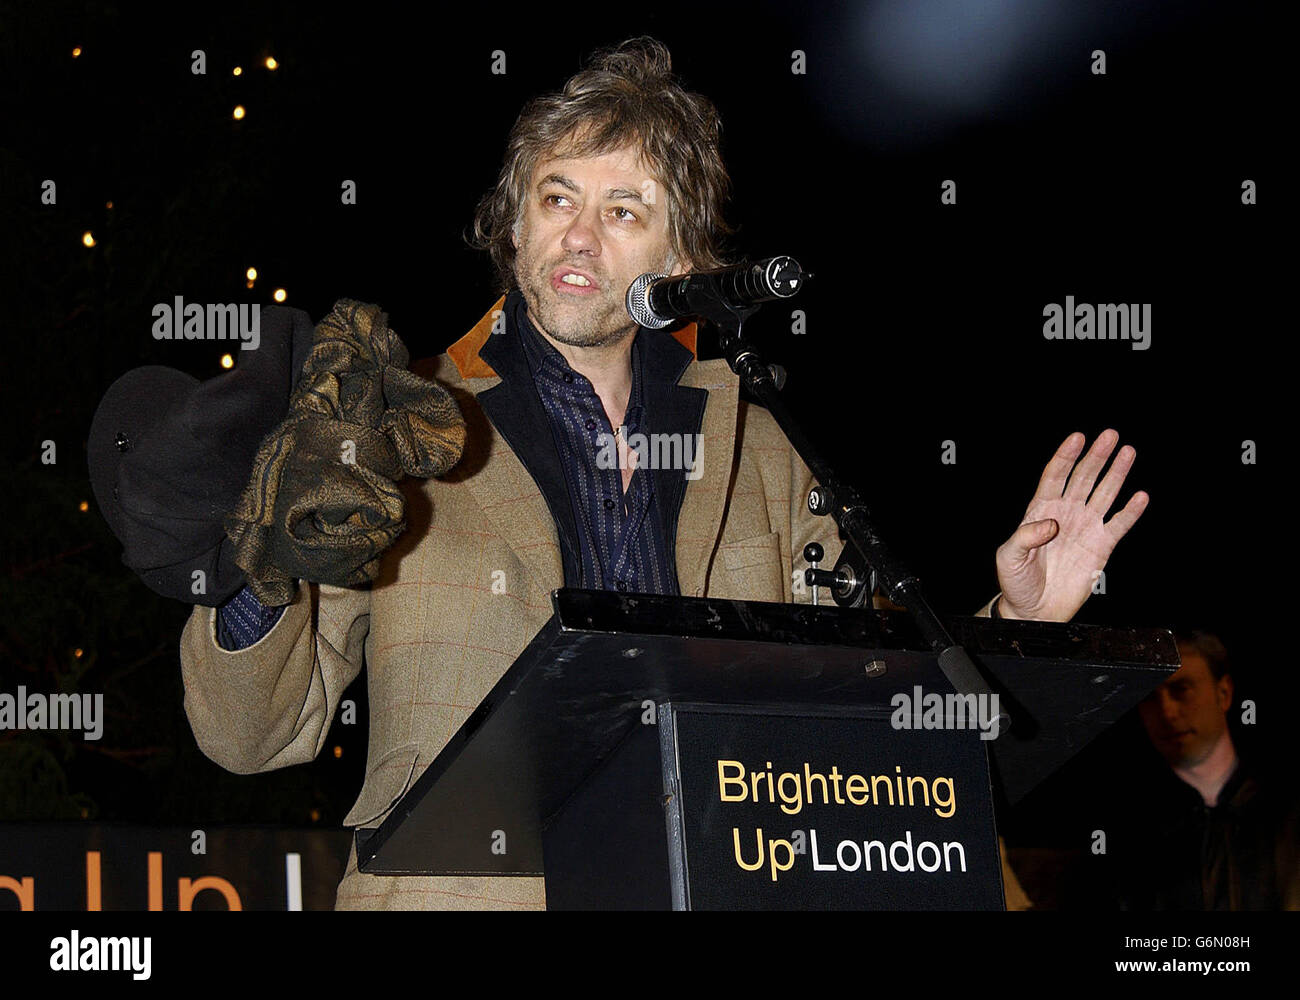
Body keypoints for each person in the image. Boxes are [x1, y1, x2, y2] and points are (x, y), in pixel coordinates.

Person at [179, 36, 1148, 909]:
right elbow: (250, 737)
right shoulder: (395, 425)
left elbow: (872, 724)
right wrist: (259, 582)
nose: (579, 235)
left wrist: (1015, 623)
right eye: (555, 198)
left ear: (678, 258)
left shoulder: (762, 440)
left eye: (623, 209)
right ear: (511, 228)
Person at [1114, 631, 1300, 909]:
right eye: (1149, 696)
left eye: (1182, 689)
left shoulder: (1289, 812)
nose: (1167, 712)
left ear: (1223, 693)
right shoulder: (1127, 831)